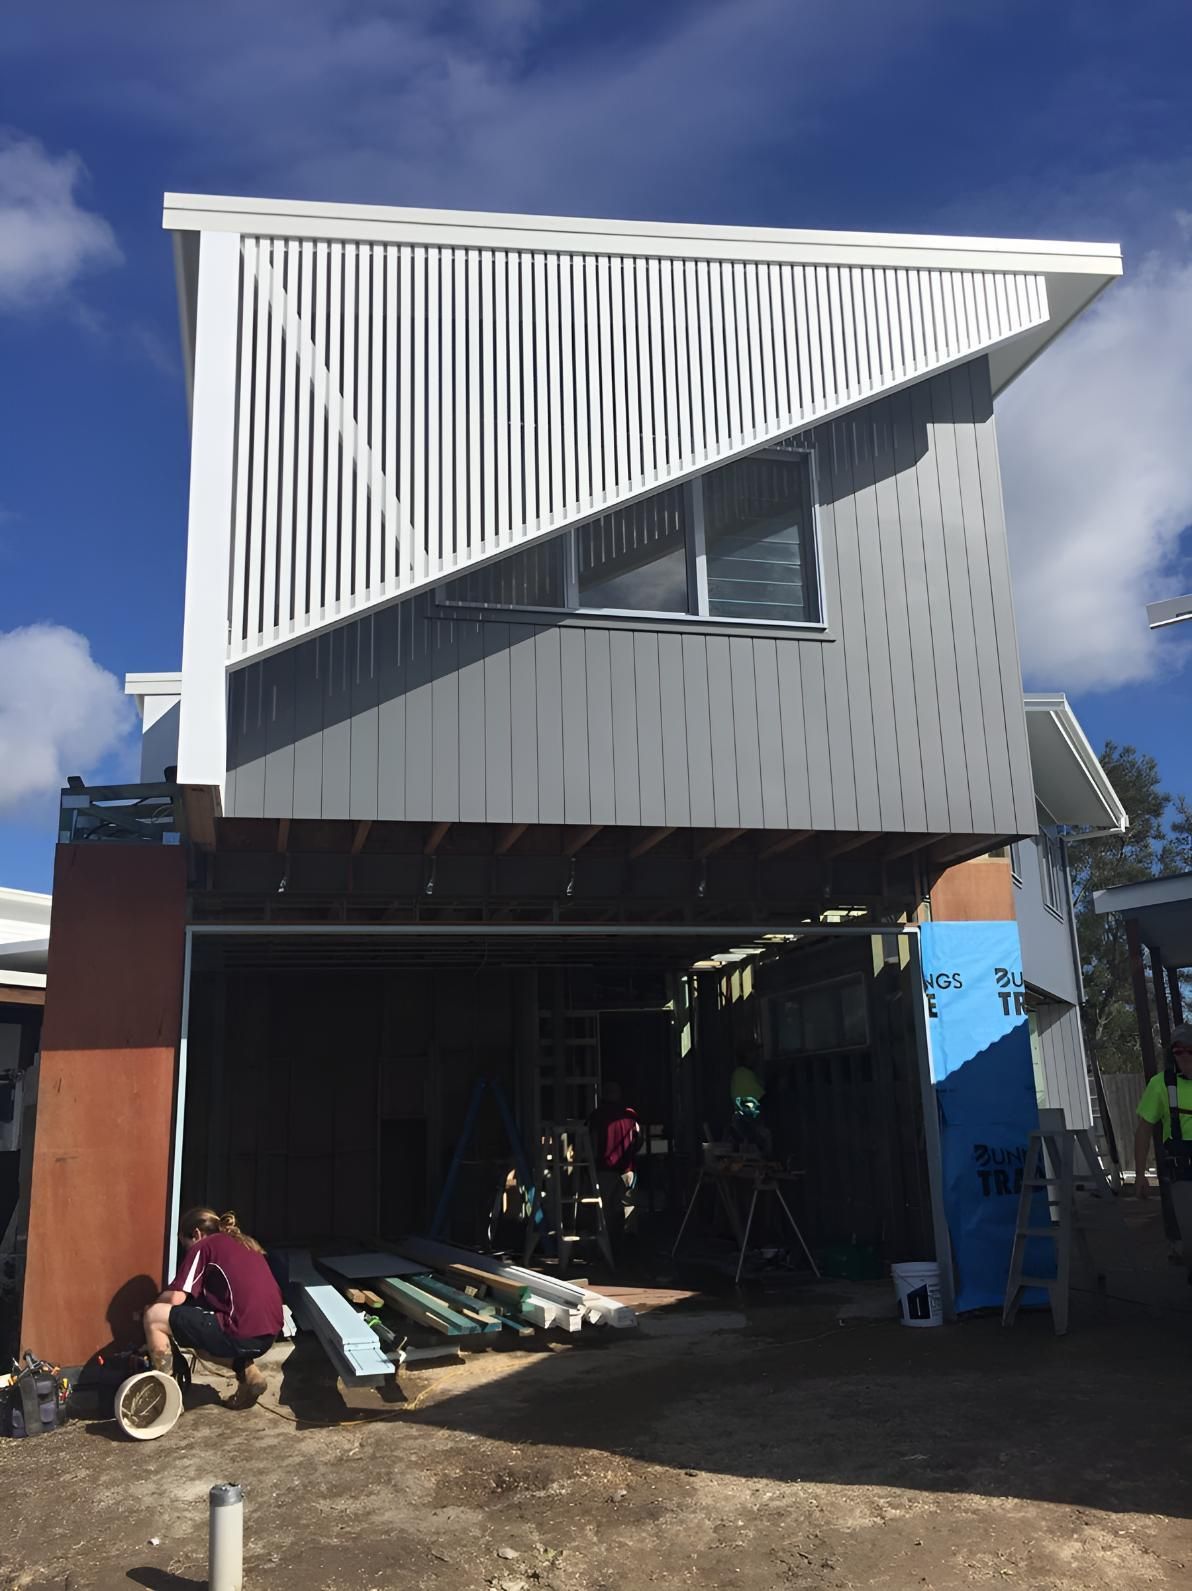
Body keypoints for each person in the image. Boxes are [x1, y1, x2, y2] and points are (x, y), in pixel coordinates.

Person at [143, 1207, 283, 1409]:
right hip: (268, 1336)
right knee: (202, 1344)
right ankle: (250, 1375)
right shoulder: (243, 1243)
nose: (187, 1251)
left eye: (185, 1244)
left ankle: (167, 1400)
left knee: (154, 1317)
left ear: (197, 1234)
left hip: (240, 1332)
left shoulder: (204, 1246)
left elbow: (175, 1297)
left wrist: (150, 1306)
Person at [1135, 1025, 1192, 1275]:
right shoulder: (1161, 1085)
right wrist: (1139, 1175)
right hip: (1184, 1172)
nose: (1185, 1057)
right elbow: (1143, 1130)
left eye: (1191, 1051)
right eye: (1179, 1051)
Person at [586, 1082, 644, 1253]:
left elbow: (592, 1143)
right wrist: (631, 1155)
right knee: (629, 1207)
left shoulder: (597, 1116)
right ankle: (630, 1245)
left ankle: (608, 1247)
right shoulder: (631, 1115)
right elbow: (640, 1140)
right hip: (628, 1170)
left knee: (605, 1210)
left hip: (605, 1169)